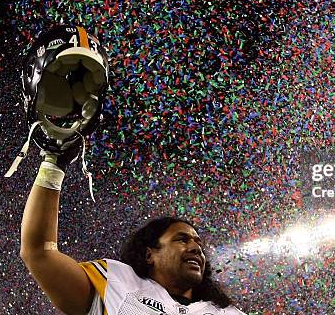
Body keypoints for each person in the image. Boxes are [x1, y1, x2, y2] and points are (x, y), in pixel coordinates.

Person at [16, 25, 244, 314]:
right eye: (181, 239)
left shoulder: (228, 312)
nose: (196, 247)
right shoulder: (117, 284)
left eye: (197, 242)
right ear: (149, 254)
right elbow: (38, 253)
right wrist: (54, 164)